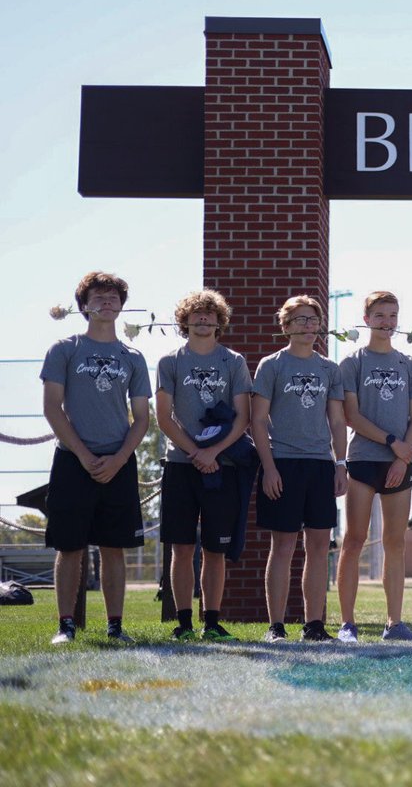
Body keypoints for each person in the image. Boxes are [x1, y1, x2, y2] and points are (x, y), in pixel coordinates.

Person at [41, 272, 151, 645]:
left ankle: (115, 627)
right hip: (73, 460)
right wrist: (85, 455)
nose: (106, 301)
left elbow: (142, 419)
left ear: (121, 305)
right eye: (98, 296)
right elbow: (53, 409)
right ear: (84, 305)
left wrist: (119, 458)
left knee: (113, 546)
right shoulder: (64, 348)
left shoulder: (132, 357)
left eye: (113, 296)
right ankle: (65, 625)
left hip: (118, 462)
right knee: (69, 546)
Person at [156, 289, 251, 642]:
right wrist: (196, 452)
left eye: (210, 314)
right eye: (196, 314)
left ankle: (212, 621)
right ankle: (183, 622)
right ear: (185, 320)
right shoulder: (170, 362)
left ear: (219, 320)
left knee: (216, 550)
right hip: (180, 465)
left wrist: (213, 453)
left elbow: (243, 417)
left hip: (222, 465)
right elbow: (163, 418)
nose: (203, 319)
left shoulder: (233, 361)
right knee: (181, 548)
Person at [251, 295, 348, 642]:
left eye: (313, 320)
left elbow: (338, 422)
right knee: (283, 546)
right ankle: (276, 627)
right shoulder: (271, 365)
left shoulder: (329, 369)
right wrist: (269, 467)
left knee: (319, 547)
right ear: (286, 325)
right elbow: (258, 421)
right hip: (283, 464)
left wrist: (340, 464)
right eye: (300, 320)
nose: (308, 326)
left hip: (321, 466)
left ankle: (314, 625)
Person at [336, 291, 412, 642]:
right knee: (354, 540)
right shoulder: (353, 363)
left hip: (398, 464)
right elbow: (351, 415)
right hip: (364, 460)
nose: (387, 322)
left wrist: (402, 457)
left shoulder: (409, 365)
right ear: (367, 319)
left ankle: (395, 624)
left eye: (392, 315)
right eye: (379, 315)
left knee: (395, 543)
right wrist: (393, 445)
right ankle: (348, 624)